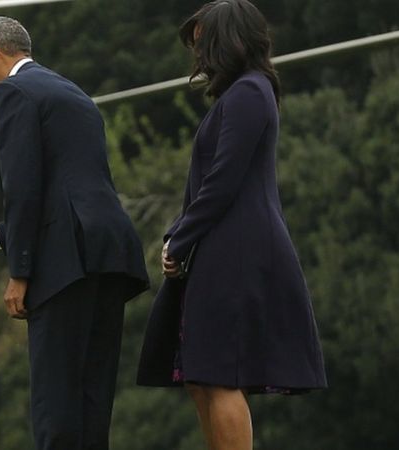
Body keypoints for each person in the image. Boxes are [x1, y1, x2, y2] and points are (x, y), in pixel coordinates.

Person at [136, 1, 328, 449]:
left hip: (237, 252)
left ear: (228, 40)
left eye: (202, 43)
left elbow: (223, 181)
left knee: (220, 375)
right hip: (218, 250)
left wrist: (179, 240)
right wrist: (177, 237)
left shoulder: (249, 92)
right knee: (200, 376)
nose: (197, 54)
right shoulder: (241, 94)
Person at [0, 16, 149, 450]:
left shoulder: (13, 91)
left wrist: (20, 272)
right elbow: (66, 192)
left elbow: (24, 188)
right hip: (109, 253)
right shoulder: (72, 92)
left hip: (65, 263)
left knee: (56, 398)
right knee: (93, 396)